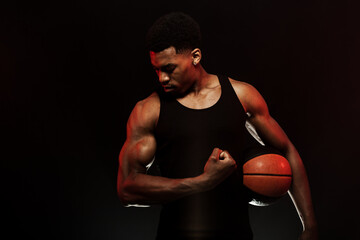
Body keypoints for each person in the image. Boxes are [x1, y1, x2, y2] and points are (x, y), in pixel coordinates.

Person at [117, 12, 318, 240]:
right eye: (157, 69)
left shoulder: (242, 96)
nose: (162, 78)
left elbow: (287, 151)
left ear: (195, 56)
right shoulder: (148, 111)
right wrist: (201, 183)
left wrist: (309, 225)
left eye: (169, 68)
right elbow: (127, 188)